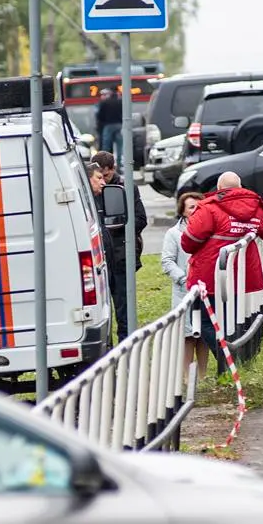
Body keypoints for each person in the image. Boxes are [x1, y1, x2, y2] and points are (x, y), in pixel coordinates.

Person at [182, 170, 263, 371]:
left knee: (203, 321)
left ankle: (228, 362)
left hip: (209, 276)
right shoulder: (257, 206)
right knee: (232, 321)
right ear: (241, 187)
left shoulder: (209, 208)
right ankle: (231, 363)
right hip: (242, 276)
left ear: (219, 188)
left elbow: (189, 241)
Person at [90, 152, 146, 339]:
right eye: (98, 176)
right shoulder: (89, 191)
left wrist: (115, 227)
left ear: (112, 170)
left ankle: (126, 349)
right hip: (99, 259)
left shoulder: (126, 187)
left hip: (121, 256)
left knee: (124, 309)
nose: (103, 181)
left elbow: (140, 219)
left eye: (105, 175)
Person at [159, 191, 207, 378]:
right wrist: (184, 278)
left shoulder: (210, 231)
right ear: (183, 211)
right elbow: (167, 261)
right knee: (187, 336)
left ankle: (202, 376)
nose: (195, 210)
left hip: (205, 290)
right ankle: (186, 377)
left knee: (204, 335)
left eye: (198, 206)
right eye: (191, 207)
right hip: (184, 291)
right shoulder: (173, 234)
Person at [96, 86, 124, 160]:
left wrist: (103, 122)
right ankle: (119, 164)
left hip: (108, 125)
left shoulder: (105, 102)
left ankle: (106, 163)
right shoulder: (120, 102)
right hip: (119, 125)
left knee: (106, 146)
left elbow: (100, 115)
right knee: (119, 146)